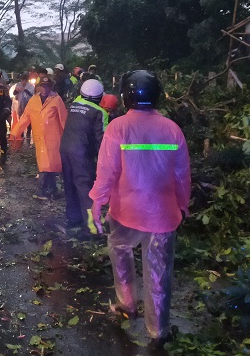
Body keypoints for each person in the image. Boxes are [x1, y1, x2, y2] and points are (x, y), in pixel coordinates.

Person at [89, 70, 191, 347]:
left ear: (125, 96)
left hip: (125, 212)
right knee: (159, 271)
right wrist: (183, 204)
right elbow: (182, 174)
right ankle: (158, 330)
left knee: (120, 252)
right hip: (163, 215)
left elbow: (107, 171)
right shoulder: (172, 129)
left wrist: (98, 201)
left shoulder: (118, 127)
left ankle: (127, 303)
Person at [59, 79, 108, 237]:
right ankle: (92, 227)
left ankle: (73, 219)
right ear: (99, 97)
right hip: (81, 153)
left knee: (70, 183)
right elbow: (102, 140)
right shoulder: (99, 112)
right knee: (85, 187)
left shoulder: (75, 103)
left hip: (65, 148)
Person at [11, 76, 67, 197]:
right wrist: (16, 132)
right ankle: (47, 190)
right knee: (46, 165)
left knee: (49, 165)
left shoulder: (56, 100)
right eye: (43, 86)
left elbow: (64, 120)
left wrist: (68, 136)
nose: (45, 88)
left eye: (47, 86)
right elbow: (26, 117)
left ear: (50, 86)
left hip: (54, 139)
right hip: (40, 139)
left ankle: (44, 190)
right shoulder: (33, 101)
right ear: (38, 87)